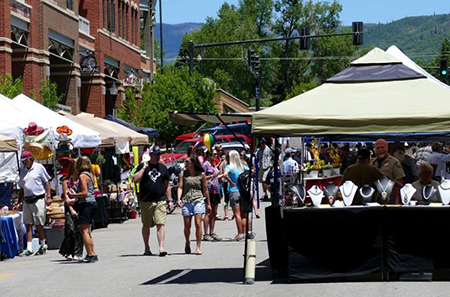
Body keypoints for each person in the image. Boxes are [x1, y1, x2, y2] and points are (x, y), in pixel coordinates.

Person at [133, 145, 172, 257]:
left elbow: (167, 185)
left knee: (160, 223)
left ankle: (161, 248)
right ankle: (147, 247)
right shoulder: (143, 166)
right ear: (150, 155)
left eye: (159, 154)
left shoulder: (163, 168)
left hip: (160, 199)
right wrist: (144, 168)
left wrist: (169, 200)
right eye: (155, 154)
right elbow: (135, 179)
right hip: (146, 200)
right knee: (146, 225)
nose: (157, 157)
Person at [16, 151, 51, 256]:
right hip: (27, 199)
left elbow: (46, 182)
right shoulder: (23, 171)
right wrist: (19, 201)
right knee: (28, 224)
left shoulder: (39, 167)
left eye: (25, 161)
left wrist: (48, 196)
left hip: (38, 198)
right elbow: (22, 188)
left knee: (38, 223)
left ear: (30, 159)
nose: (24, 163)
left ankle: (43, 244)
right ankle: (29, 248)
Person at [66, 156, 98, 263]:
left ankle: (90, 254)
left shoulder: (82, 176)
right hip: (92, 202)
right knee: (87, 231)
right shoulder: (90, 174)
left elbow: (84, 192)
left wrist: (73, 194)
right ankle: (92, 253)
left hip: (86, 203)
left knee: (84, 231)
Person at [177, 155, 211, 255]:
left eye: (187, 162)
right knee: (187, 226)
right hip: (187, 200)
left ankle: (198, 246)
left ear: (192, 163)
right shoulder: (183, 174)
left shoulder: (201, 174)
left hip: (198, 199)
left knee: (198, 223)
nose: (185, 163)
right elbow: (180, 187)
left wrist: (208, 203)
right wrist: (179, 199)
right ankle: (187, 242)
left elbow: (205, 189)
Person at [59, 160, 83, 261]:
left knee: (78, 230)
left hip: (80, 206)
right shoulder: (66, 181)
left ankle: (77, 252)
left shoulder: (82, 180)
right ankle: (67, 251)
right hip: (70, 207)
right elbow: (66, 197)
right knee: (70, 229)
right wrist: (71, 209)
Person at [224, 150, 249, 241]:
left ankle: (240, 233)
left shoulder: (229, 167)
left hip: (234, 191)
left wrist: (231, 182)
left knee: (237, 214)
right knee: (243, 215)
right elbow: (252, 172)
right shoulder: (243, 167)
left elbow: (225, 175)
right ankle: (245, 233)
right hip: (243, 192)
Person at [202, 151, 222, 242]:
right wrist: (212, 176)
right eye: (213, 154)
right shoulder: (205, 165)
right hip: (208, 190)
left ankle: (212, 231)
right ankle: (205, 233)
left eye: (216, 154)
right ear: (209, 155)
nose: (215, 155)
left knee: (214, 212)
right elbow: (202, 177)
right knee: (208, 211)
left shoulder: (214, 165)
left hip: (215, 190)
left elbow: (217, 175)